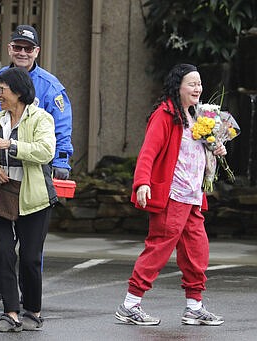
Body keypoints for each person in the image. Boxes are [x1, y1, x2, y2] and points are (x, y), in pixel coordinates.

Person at [0, 24, 73, 301]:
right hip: (0, 171)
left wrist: (62, 160)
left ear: (37, 52)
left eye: (28, 48)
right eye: (17, 47)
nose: (22, 52)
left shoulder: (51, 86)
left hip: (33, 172)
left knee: (31, 245)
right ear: (9, 49)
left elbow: (61, 126)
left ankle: (29, 297)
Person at [114, 64, 225, 326]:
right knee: (159, 249)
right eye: (192, 83)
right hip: (172, 195)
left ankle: (194, 307)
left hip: (193, 196)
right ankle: (130, 305)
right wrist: (142, 183)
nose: (197, 88)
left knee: (197, 251)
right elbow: (148, 152)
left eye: (199, 84)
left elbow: (200, 152)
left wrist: (217, 148)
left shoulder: (198, 117)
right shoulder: (165, 115)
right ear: (178, 87)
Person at [0, 67, 57, 332]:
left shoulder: (41, 118)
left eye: (2, 90)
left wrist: (10, 145)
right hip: (1, 194)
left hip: (34, 196)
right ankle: (10, 314)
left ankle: (33, 311)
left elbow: (46, 151)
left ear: (18, 91)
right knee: (4, 255)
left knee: (31, 258)